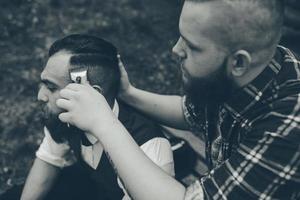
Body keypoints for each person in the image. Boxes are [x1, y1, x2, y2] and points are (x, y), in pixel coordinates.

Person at [56, 0, 300, 199]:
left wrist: (104, 123)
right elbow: (191, 114)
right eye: (181, 36)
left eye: (192, 47)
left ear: (238, 62)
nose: (175, 49)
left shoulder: (289, 128)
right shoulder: (258, 68)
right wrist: (129, 94)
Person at [20, 34, 174, 200]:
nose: (40, 96)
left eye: (51, 87)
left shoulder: (148, 147)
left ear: (91, 94)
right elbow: (49, 158)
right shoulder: (62, 115)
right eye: (43, 83)